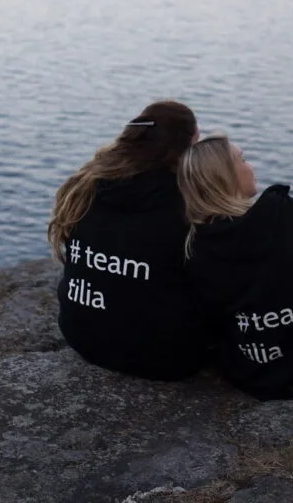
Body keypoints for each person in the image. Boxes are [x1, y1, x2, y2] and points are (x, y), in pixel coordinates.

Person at [177, 134, 293, 400]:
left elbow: (210, 317)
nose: (250, 166)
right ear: (225, 176)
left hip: (254, 374)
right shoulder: (284, 213)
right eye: (242, 159)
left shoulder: (195, 245)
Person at [48, 100, 210, 381]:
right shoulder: (188, 204)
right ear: (187, 146)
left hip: (82, 335)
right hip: (165, 356)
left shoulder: (86, 185)